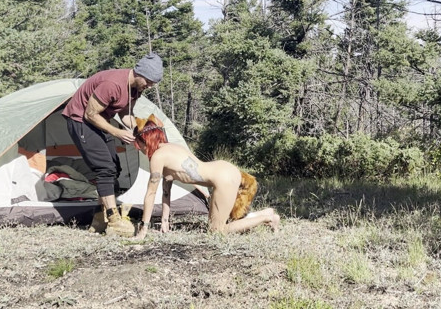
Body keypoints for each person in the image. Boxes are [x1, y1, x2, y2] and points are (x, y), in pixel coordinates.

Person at [62, 53, 163, 237]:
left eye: (153, 83)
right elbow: (90, 114)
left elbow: (124, 112)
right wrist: (117, 132)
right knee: (105, 168)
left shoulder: (135, 88)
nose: (149, 86)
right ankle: (114, 220)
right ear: (139, 73)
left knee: (114, 168)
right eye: (148, 82)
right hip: (80, 120)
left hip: (99, 120)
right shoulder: (113, 84)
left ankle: (100, 218)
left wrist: (140, 130)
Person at [132, 115, 280, 239]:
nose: (140, 149)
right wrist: (165, 221)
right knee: (219, 223)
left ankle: (267, 219)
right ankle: (266, 213)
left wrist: (143, 229)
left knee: (217, 231)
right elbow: (166, 189)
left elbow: (151, 193)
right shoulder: (172, 148)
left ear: (145, 141)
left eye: (138, 145)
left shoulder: (158, 157)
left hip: (223, 178)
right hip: (224, 169)